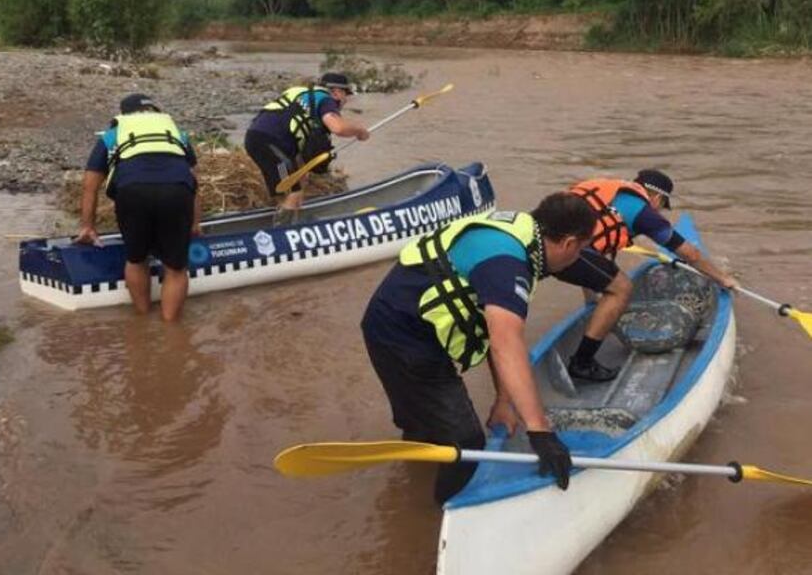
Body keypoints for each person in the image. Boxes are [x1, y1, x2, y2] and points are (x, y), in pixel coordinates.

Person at [360, 192, 598, 503]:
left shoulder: (520, 230)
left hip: (395, 321)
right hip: (403, 336)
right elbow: (505, 342)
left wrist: (504, 399)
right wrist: (540, 431)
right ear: (568, 243)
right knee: (466, 440)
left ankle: (414, 481)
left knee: (425, 424)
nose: (578, 259)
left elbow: (489, 329)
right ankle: (442, 517)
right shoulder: (507, 264)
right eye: (581, 250)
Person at [558, 169, 738, 381]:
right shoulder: (644, 213)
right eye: (662, 207)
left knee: (600, 268)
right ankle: (582, 362)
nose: (660, 213)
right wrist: (722, 278)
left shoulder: (607, 193)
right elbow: (690, 253)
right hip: (569, 253)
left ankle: (594, 311)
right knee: (622, 288)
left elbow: (592, 251)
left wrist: (592, 302)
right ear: (657, 198)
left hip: (546, 245)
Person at [76, 93, 201, 321]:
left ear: (124, 114)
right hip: (177, 191)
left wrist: (87, 226)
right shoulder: (176, 135)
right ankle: (171, 329)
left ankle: (142, 322)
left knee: (136, 259)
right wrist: (194, 222)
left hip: (132, 192)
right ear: (154, 112)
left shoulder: (112, 135)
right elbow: (193, 181)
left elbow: (90, 186)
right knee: (176, 268)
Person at [244, 72, 370, 225]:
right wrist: (360, 131)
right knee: (292, 192)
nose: (345, 101)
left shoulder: (306, 96)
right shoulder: (325, 100)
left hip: (263, 139)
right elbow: (338, 128)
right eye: (346, 95)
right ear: (337, 92)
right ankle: (285, 236)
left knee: (297, 181)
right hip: (269, 142)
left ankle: (291, 221)